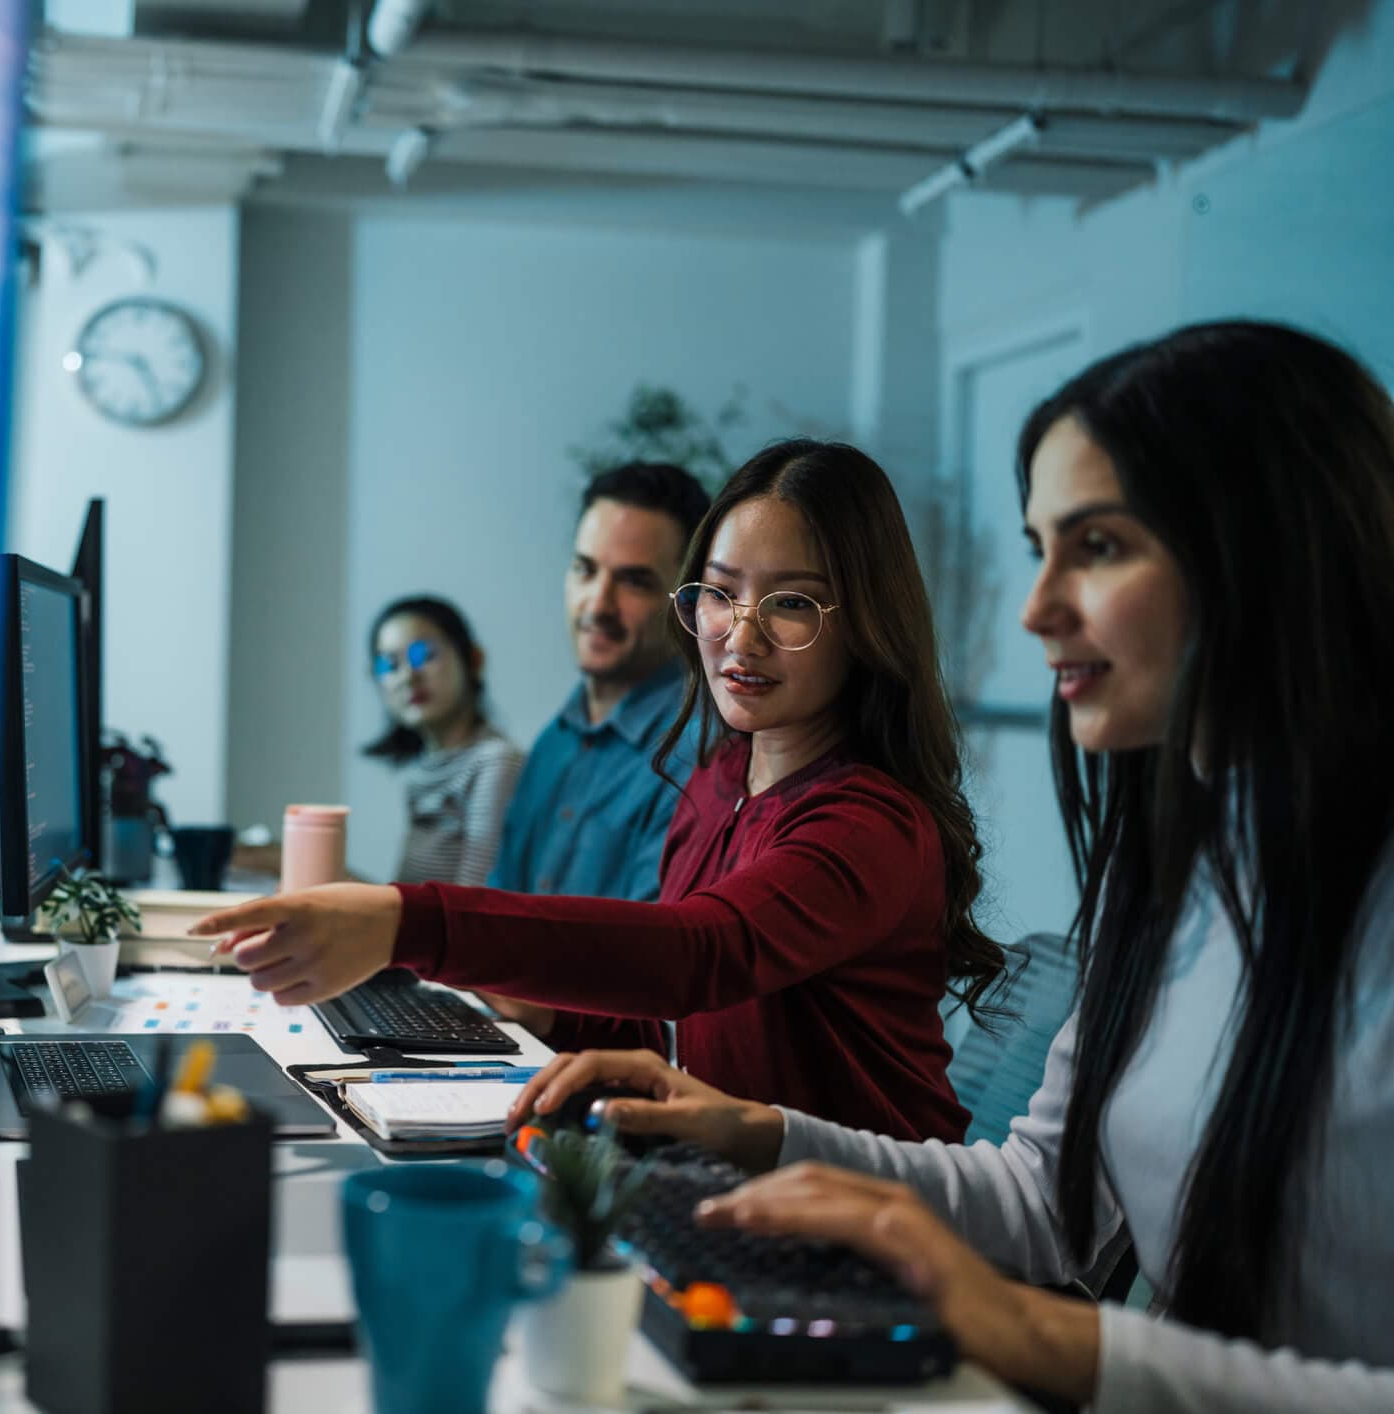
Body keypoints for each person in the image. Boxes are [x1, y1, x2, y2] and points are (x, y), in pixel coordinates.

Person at [510, 322, 1394, 1411]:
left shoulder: (868, 817)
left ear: (1269, 552)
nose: (1037, 609)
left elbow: (707, 951)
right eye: (1040, 550)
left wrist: (1049, 1335)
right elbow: (1043, 1196)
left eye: (1101, 547)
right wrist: (757, 1133)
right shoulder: (1166, 867)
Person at [194, 440, 1006, 1142]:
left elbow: (699, 953)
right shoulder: (719, 778)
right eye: (719, 593)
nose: (740, 633)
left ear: (863, 619)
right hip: (740, 1196)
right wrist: (551, 1015)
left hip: (873, 1236)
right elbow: (679, 1027)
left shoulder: (867, 824)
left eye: (790, 604)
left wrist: (407, 919)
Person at [487, 461, 712, 902]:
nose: (598, 604)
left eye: (634, 581)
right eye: (585, 570)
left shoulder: (697, 754)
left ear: (689, 598)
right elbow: (496, 913)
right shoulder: (553, 742)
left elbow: (651, 949)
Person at [363, 595, 523, 887]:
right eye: (389, 664)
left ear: (473, 660)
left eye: (423, 655)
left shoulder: (495, 761)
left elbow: (470, 907)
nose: (408, 676)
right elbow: (406, 898)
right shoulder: (425, 771)